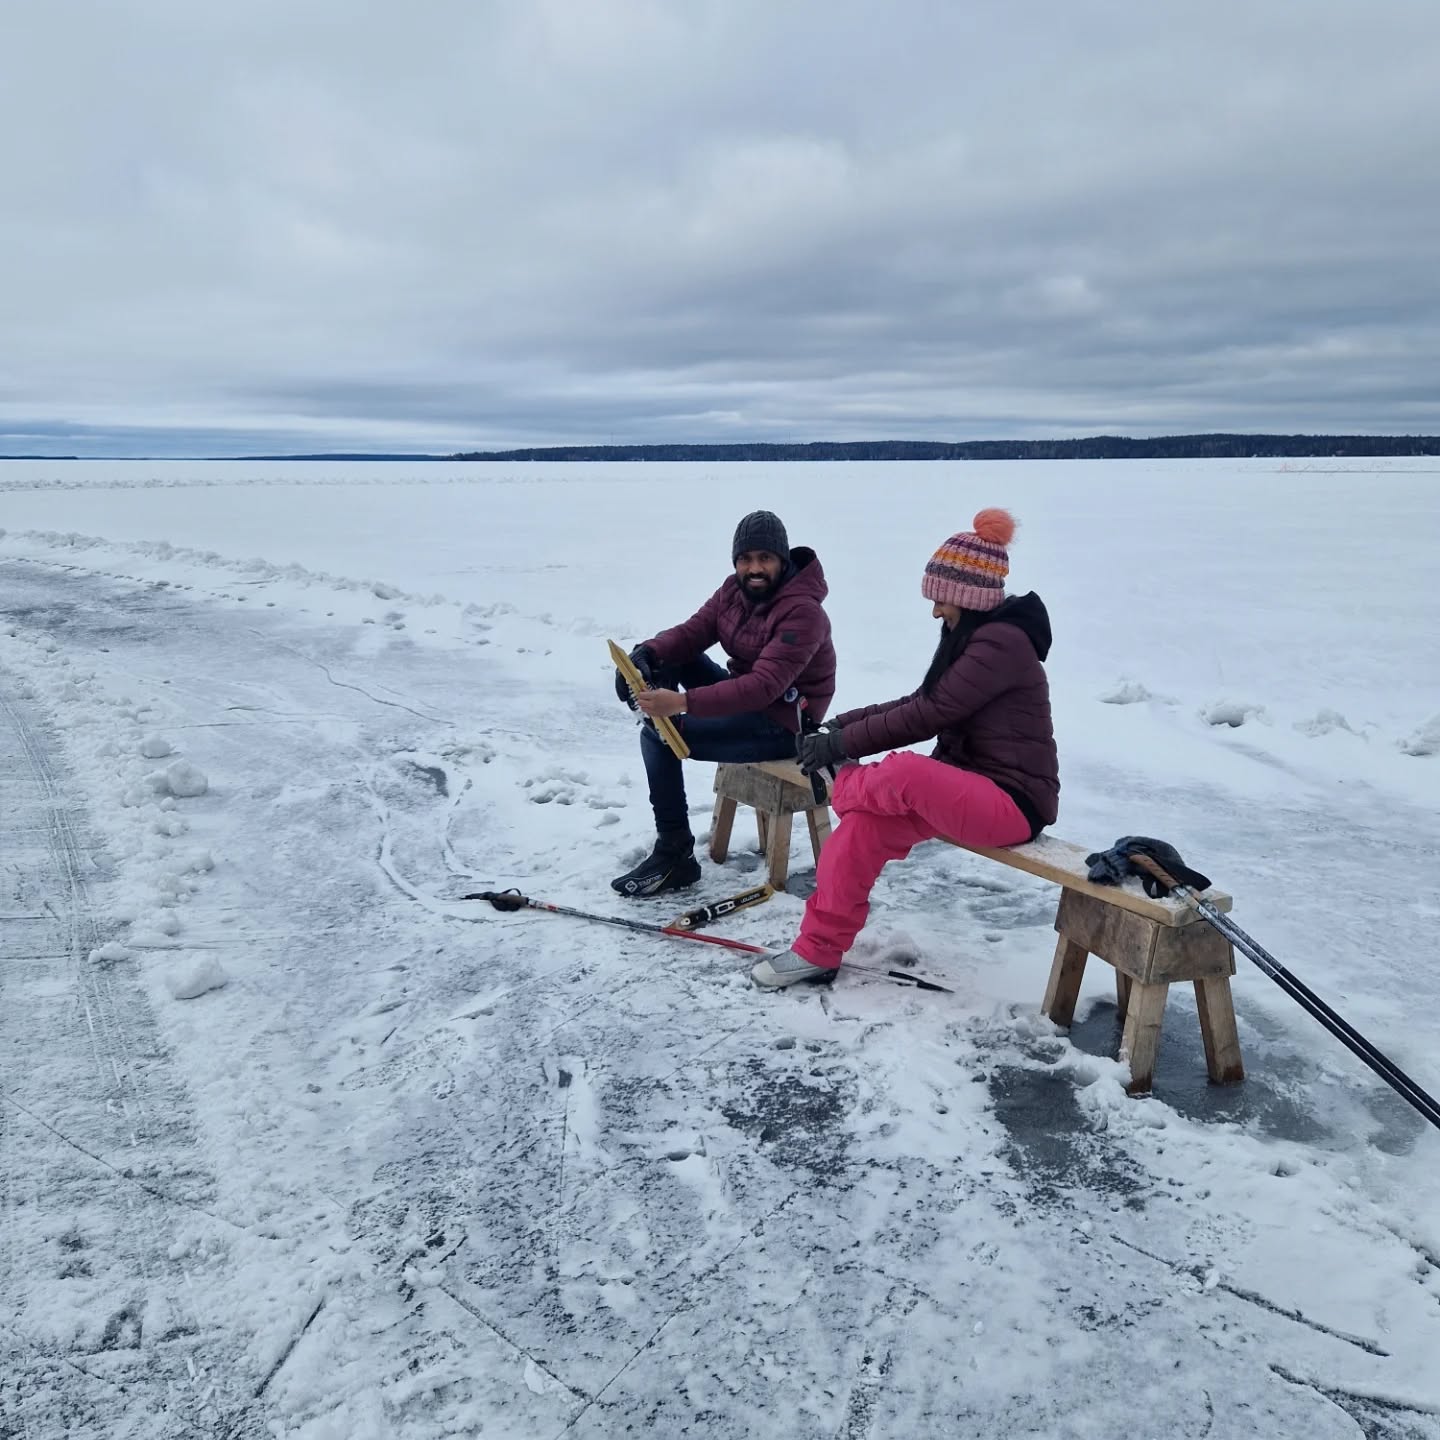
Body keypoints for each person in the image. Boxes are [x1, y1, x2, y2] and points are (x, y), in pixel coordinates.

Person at [750, 508, 1058, 987]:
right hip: (964, 785)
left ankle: (842, 785)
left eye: (941, 601)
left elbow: (927, 716)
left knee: (904, 773)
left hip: (1012, 802)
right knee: (857, 834)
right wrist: (839, 725)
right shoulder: (973, 637)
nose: (935, 611)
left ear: (967, 597)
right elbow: (921, 701)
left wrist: (839, 749)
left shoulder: (1002, 644)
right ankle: (816, 952)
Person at [611, 510, 836, 897]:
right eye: (745, 559)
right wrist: (645, 654)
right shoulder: (733, 591)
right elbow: (692, 632)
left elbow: (764, 687)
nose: (754, 568)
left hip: (783, 722)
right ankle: (658, 711)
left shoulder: (803, 612)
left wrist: (680, 702)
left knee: (657, 736)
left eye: (765, 558)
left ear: (782, 561)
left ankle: (675, 853)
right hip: (746, 699)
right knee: (673, 656)